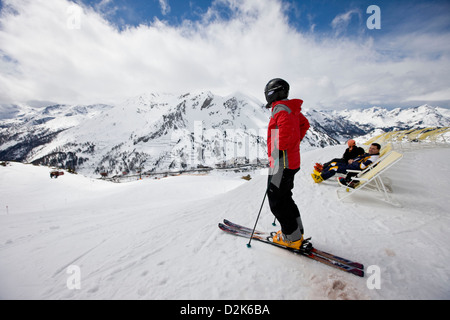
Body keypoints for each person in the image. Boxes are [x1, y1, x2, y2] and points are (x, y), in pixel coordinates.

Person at [265, 78, 310, 250]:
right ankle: (297, 232)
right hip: (291, 162)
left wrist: (277, 152)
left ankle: (291, 238)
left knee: (277, 201)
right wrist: (295, 141)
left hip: (281, 164)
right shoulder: (291, 108)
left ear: (273, 93)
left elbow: (284, 133)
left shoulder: (280, 109)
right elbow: (304, 124)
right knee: (285, 197)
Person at [311, 143, 381, 184]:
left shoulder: (372, 158)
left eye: (373, 149)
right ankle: (322, 172)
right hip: (350, 165)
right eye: (370, 148)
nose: (370, 149)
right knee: (333, 163)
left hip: (353, 169)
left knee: (335, 168)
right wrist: (352, 160)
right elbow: (358, 159)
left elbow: (362, 166)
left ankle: (320, 178)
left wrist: (353, 162)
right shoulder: (370, 154)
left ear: (378, 150)